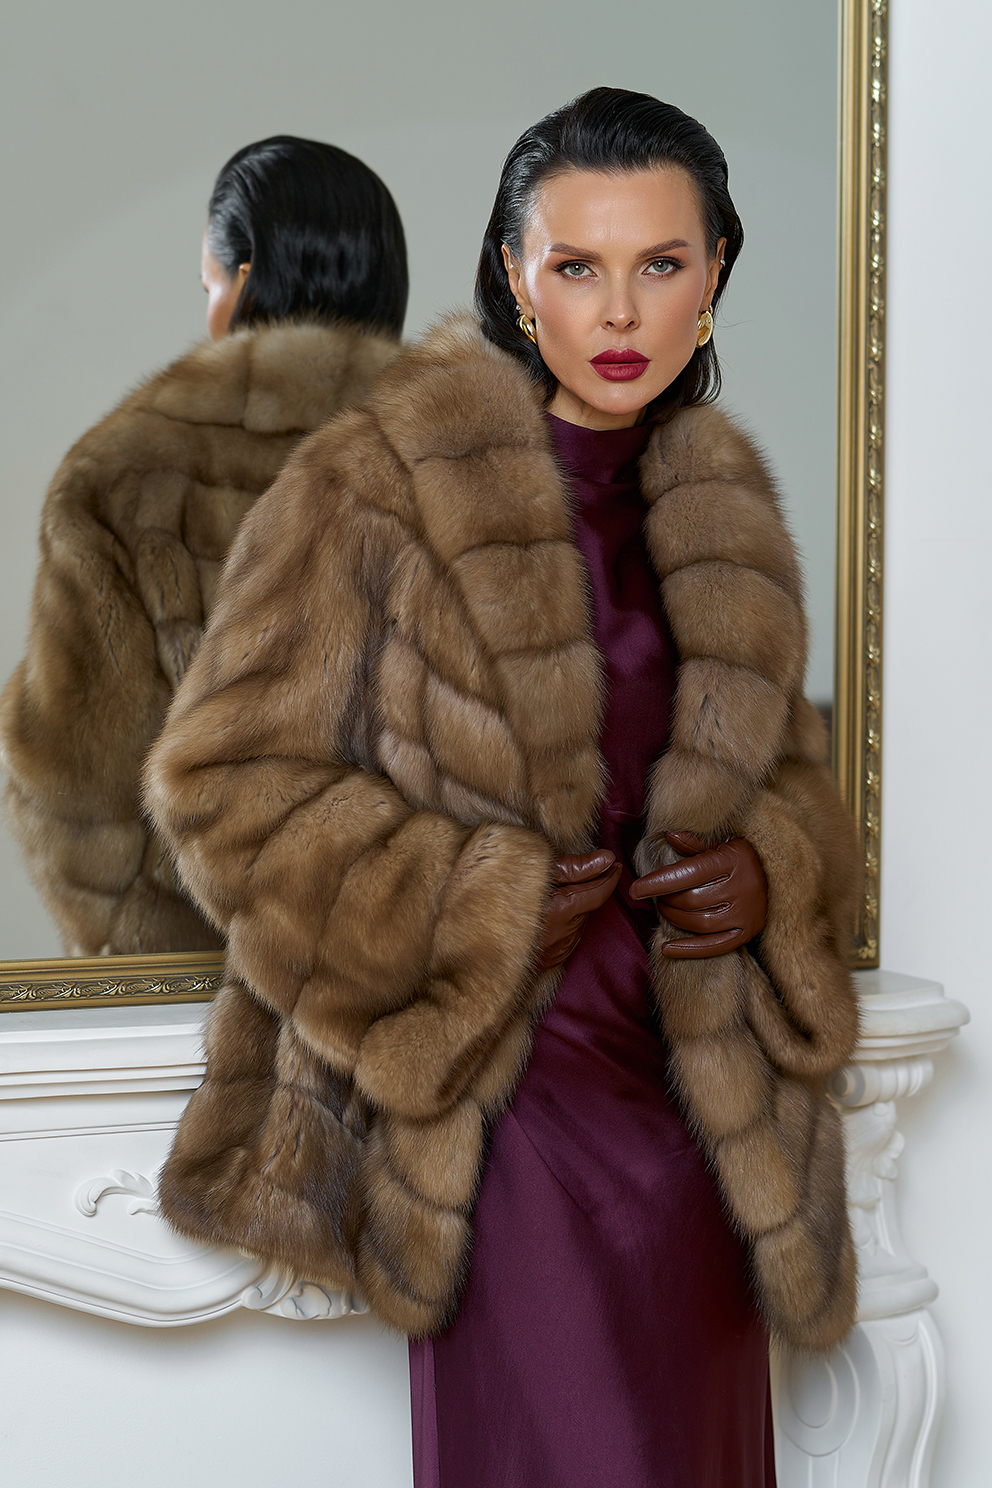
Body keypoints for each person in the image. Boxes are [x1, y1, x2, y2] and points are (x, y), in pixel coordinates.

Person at [145, 90, 860, 1487]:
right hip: (503, 1114)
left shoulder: (724, 511)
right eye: (576, 265)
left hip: (703, 1122)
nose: (620, 310)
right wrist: (468, 904)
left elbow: (790, 787)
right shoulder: (376, 482)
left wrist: (769, 872)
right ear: (514, 275)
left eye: (661, 263)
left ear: (714, 272)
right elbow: (222, 779)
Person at [0, 135, 408, 956]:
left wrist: (148, 948)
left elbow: (73, 779)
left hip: (200, 981)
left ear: (244, 280)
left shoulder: (125, 471)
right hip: (426, 977)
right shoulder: (480, 458)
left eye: (209, 281)